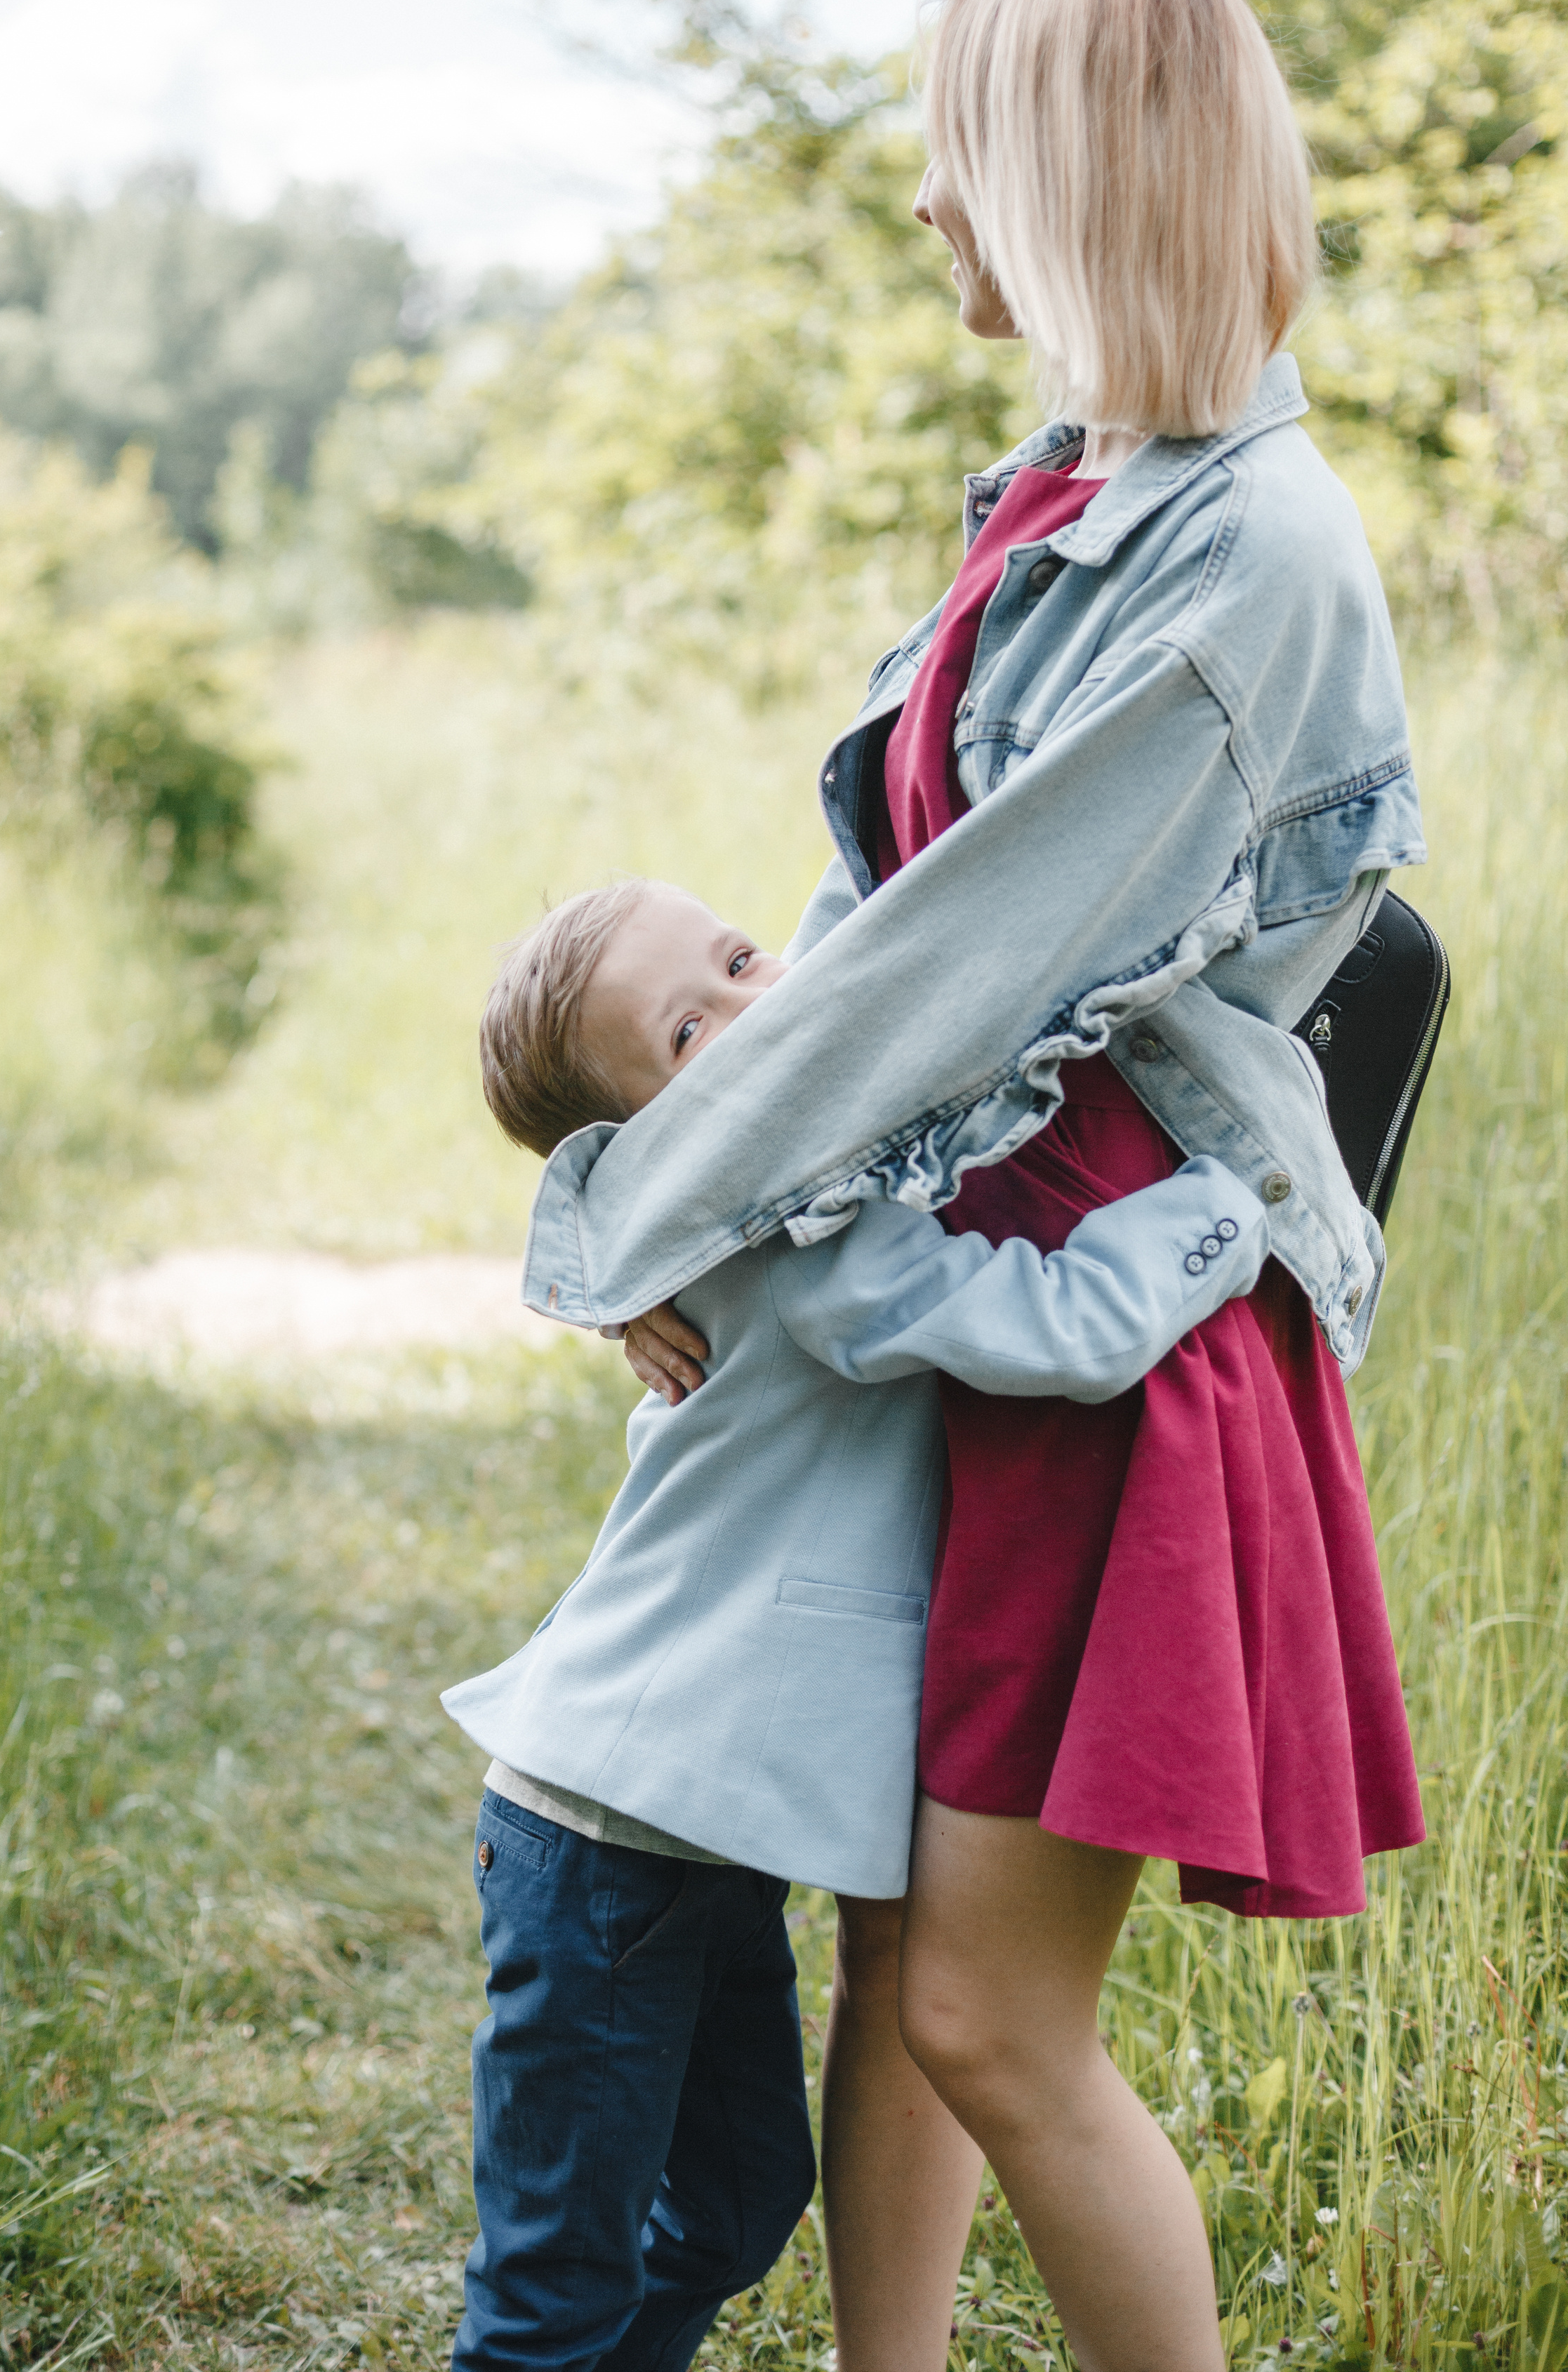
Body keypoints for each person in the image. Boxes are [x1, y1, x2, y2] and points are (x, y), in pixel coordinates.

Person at [519, 0, 1428, 2372]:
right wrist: (682, 1169)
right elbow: (857, 915)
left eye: (963, 147)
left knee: (995, 2030)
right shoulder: (1077, 493)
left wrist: (637, 1201)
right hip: (983, 1279)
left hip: (1119, 1349)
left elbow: (946, 983)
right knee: (899, 1963)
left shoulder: (1252, 564)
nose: (928, 197)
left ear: (1067, 172)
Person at [442, 873, 1272, 2372]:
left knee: (739, 2202)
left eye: (745, 957)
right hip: (606, 1845)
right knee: (554, 2283)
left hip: (686, 1851)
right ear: (654, 1148)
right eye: (691, 1032)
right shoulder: (818, 1250)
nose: (763, 1003)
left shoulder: (799, 1158)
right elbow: (1061, 1326)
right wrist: (1234, 1201)